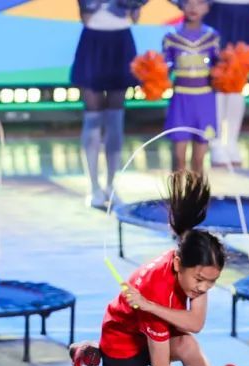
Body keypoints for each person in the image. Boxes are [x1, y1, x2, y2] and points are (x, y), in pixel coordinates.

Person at [69, 171, 242, 366]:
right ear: (177, 264)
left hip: (151, 330)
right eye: (200, 280)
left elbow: (195, 323)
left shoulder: (197, 268)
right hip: (123, 344)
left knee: (188, 344)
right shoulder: (154, 291)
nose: (204, 288)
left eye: (212, 282)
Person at [70, 0, 140, 209]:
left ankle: (111, 184)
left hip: (121, 41)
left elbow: (135, 18)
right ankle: (93, 186)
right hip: (93, 41)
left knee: (115, 118)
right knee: (92, 116)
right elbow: (85, 17)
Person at [163, 0, 219, 174]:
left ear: (207, 7)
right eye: (188, 2)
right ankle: (178, 191)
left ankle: (198, 192)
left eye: (199, 3)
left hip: (205, 100)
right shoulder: (171, 36)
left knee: (199, 160)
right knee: (178, 158)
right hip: (181, 99)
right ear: (180, 5)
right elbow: (164, 69)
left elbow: (220, 69)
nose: (193, 8)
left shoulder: (212, 36)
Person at [204, 0, 249, 167]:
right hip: (218, 9)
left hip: (244, 10)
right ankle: (216, 143)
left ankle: (231, 142)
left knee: (238, 80)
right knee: (218, 79)